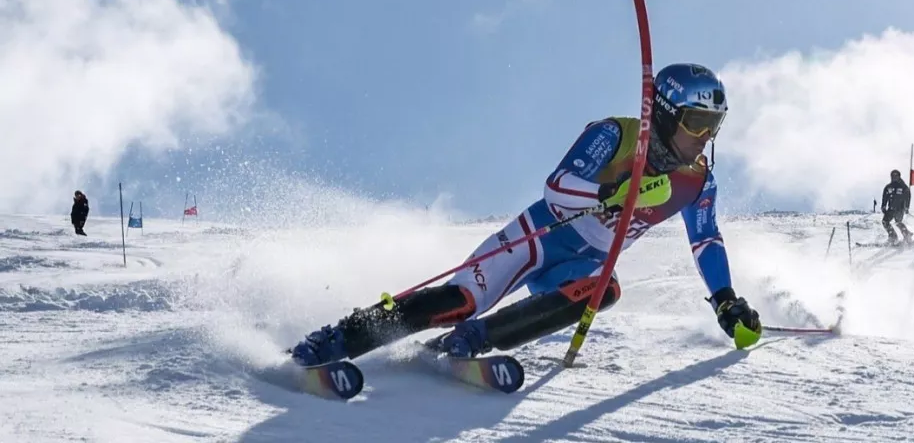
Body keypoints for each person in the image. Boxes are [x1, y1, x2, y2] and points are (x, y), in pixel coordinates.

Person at [290, 63, 763, 366]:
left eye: (714, 125)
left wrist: (725, 300)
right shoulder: (616, 136)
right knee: (459, 300)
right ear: (664, 112)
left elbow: (706, 241)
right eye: (697, 122)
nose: (705, 137)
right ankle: (334, 341)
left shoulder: (697, 180)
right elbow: (557, 188)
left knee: (605, 288)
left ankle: (471, 342)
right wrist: (613, 191)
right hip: (539, 235)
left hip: (583, 263)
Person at [880, 170, 914, 245]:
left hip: (900, 209)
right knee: (885, 222)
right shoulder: (888, 187)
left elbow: (908, 197)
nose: (894, 177)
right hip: (891, 209)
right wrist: (883, 205)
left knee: (898, 222)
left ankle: (907, 236)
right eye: (893, 176)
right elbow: (885, 197)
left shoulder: (903, 187)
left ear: (899, 176)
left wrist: (907, 207)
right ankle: (893, 236)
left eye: (896, 176)